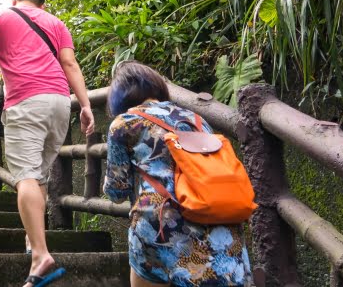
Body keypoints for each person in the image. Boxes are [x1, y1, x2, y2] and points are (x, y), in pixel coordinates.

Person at [0, 0, 94, 287]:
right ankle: (33, 241)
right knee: (40, 174)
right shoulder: (56, 23)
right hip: (60, 102)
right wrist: (85, 105)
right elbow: (70, 65)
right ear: (43, 1)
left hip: (26, 102)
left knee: (25, 177)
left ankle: (41, 255)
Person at [104, 61, 252, 287]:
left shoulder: (124, 123)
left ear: (118, 98)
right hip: (219, 221)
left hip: (162, 226)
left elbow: (117, 192)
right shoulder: (198, 121)